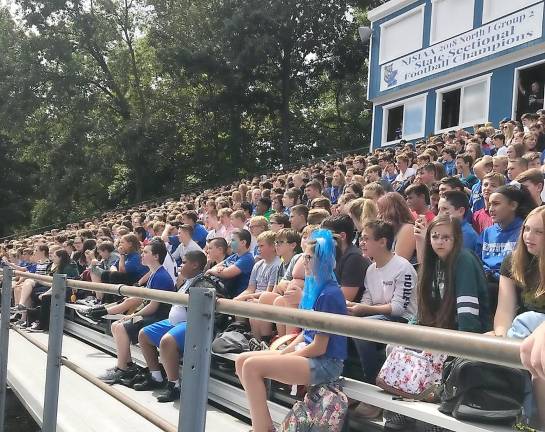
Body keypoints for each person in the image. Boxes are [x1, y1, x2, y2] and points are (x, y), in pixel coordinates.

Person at [235, 229, 347, 432]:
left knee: (251, 366)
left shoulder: (330, 293)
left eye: (309, 257)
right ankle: (264, 425)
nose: (304, 261)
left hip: (326, 363)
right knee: (241, 360)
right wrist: (282, 353)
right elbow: (306, 334)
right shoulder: (317, 289)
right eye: (305, 256)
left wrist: (288, 354)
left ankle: (261, 429)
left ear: (324, 261)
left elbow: (320, 347)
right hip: (310, 353)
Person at [348, 221, 417, 419]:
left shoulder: (402, 267)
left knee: (363, 329)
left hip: (403, 321)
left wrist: (363, 309)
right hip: (377, 316)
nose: (361, 242)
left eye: (366, 238)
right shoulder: (370, 269)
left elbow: (398, 309)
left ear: (382, 241)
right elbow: (367, 300)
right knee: (340, 323)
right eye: (361, 238)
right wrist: (352, 308)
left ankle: (374, 392)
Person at [491, 207, 545, 428]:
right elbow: (504, 313)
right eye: (527, 229)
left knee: (538, 362)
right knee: (488, 345)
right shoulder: (513, 262)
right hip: (521, 333)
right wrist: (504, 343)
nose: (528, 237)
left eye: (539, 232)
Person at [98, 240, 175, 384]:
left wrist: (132, 316)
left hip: (158, 317)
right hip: (152, 315)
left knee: (121, 326)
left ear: (156, 256)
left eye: (146, 252)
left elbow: (153, 307)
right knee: (116, 325)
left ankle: (122, 369)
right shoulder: (154, 273)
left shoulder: (161, 276)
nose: (142, 255)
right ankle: (127, 365)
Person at [135, 250, 208, 402]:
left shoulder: (204, 282)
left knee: (167, 341)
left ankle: (174, 385)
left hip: (191, 324)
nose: (181, 265)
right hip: (173, 322)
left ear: (195, 265)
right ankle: (156, 377)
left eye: (185, 262)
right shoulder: (186, 281)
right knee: (144, 334)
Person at [482, 184, 535, 312]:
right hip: (488, 283)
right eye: (489, 204)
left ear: (513, 205)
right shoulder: (488, 232)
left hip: (514, 286)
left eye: (496, 204)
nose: (491, 209)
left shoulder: (525, 231)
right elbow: (480, 260)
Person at [250, 228, 303, 340]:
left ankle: (282, 341)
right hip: (283, 297)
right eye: (276, 242)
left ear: (293, 245)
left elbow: (291, 287)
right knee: (260, 305)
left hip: (294, 301)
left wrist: (283, 286)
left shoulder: (298, 260)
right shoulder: (281, 264)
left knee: (276, 300)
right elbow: (276, 289)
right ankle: (263, 342)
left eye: (280, 242)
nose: (276, 245)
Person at [321, 215, 371, 302]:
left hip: (350, 313)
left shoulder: (354, 258)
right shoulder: (333, 256)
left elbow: (343, 299)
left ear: (342, 236)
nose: (321, 240)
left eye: (326, 236)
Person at [234, 231, 281, 303]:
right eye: (258, 246)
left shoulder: (277, 265)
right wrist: (238, 298)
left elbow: (269, 292)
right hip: (253, 298)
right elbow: (250, 289)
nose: (258, 249)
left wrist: (246, 298)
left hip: (263, 301)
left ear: (273, 247)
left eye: (261, 246)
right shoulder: (257, 265)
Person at [206, 229, 255, 297]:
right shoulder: (234, 256)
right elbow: (216, 267)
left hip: (237, 298)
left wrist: (211, 270)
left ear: (243, 242)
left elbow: (227, 273)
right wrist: (218, 269)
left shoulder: (247, 258)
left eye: (233, 240)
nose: (229, 243)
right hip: (226, 294)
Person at [436, 191, 481, 256]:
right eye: (439, 209)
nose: (439, 215)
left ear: (461, 211)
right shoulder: (448, 230)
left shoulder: (466, 234)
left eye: (445, 209)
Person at [376, 192, 416, 263]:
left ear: (392, 211)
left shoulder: (408, 228)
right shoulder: (391, 231)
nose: (378, 217)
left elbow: (398, 263)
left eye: (381, 212)